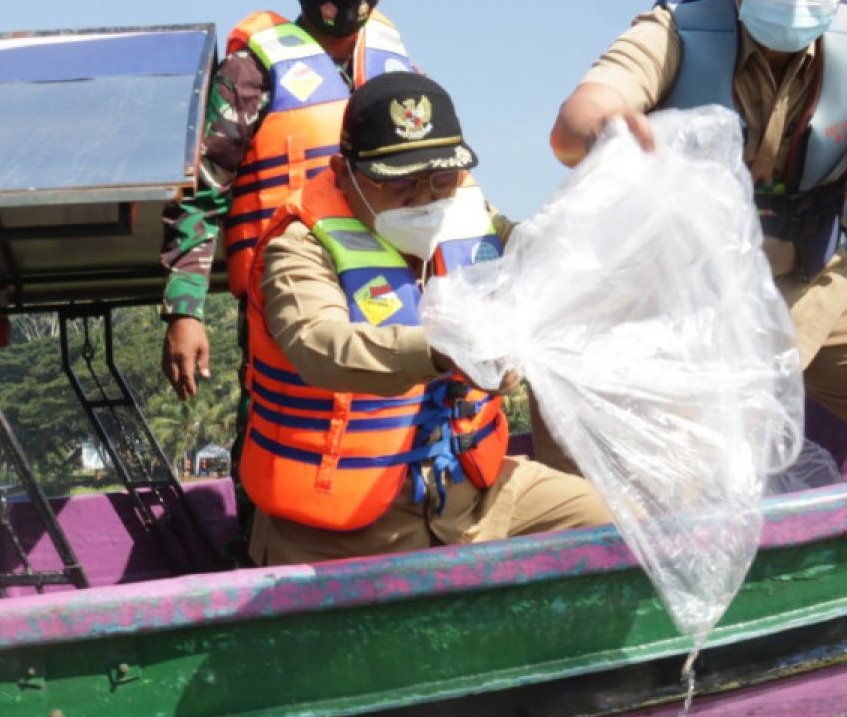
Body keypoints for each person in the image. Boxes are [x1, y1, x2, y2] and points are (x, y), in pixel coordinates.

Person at [241, 72, 613, 566]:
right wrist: (444, 348)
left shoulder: (469, 212)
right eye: (399, 182)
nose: (424, 199)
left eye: (442, 178)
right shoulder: (299, 245)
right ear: (343, 172)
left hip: (474, 495)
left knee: (624, 529)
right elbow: (319, 345)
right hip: (339, 527)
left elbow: (534, 255)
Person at [541, 0, 847, 473]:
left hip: (808, 284)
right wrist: (606, 126)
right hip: (677, 302)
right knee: (683, 470)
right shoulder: (677, 30)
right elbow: (577, 118)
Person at [158, 0, 416, 554]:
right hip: (284, 300)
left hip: (390, 296)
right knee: (275, 433)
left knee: (397, 428)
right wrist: (185, 309)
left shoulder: (399, 70)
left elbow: (436, 185)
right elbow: (202, 192)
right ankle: (260, 556)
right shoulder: (251, 72)